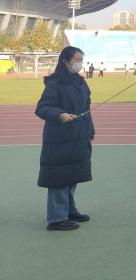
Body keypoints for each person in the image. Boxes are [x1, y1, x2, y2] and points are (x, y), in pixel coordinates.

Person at [34, 46, 95, 231]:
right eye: (76, 60)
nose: (79, 63)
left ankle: (68, 210)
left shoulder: (81, 83)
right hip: (60, 138)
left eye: (81, 60)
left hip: (78, 136)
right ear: (65, 60)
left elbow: (87, 109)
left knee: (72, 175)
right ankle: (56, 218)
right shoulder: (55, 84)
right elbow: (42, 108)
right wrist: (60, 114)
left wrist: (90, 130)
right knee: (59, 177)